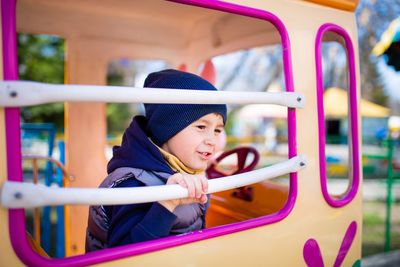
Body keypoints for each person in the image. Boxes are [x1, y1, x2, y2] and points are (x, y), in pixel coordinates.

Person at [86, 69, 227, 252]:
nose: (212, 140)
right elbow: (126, 259)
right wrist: (167, 203)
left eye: (217, 130)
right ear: (166, 129)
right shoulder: (131, 183)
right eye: (201, 126)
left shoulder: (185, 167)